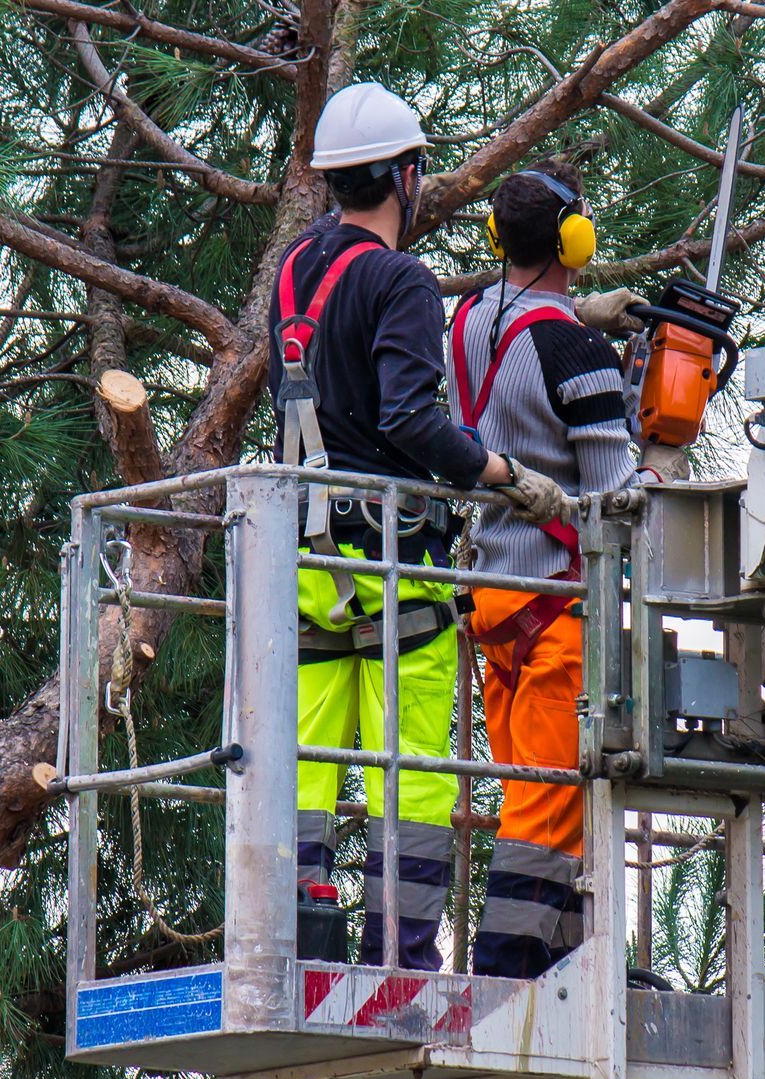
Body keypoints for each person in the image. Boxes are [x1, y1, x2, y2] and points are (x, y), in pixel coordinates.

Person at [270, 83, 571, 972]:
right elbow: (409, 417)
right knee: (413, 768)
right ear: (407, 175)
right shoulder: (398, 279)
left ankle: (303, 932)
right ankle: (396, 953)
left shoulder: (296, 267)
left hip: (308, 553)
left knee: (311, 755)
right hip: (394, 553)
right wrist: (502, 474)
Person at [447, 159, 648, 979]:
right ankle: (505, 964)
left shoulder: (464, 321)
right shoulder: (574, 348)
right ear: (575, 237)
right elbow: (611, 491)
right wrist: (654, 460)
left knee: (535, 786)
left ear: (499, 237)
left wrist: (578, 318)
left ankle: (570, 954)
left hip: (494, 595)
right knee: (550, 793)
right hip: (558, 603)